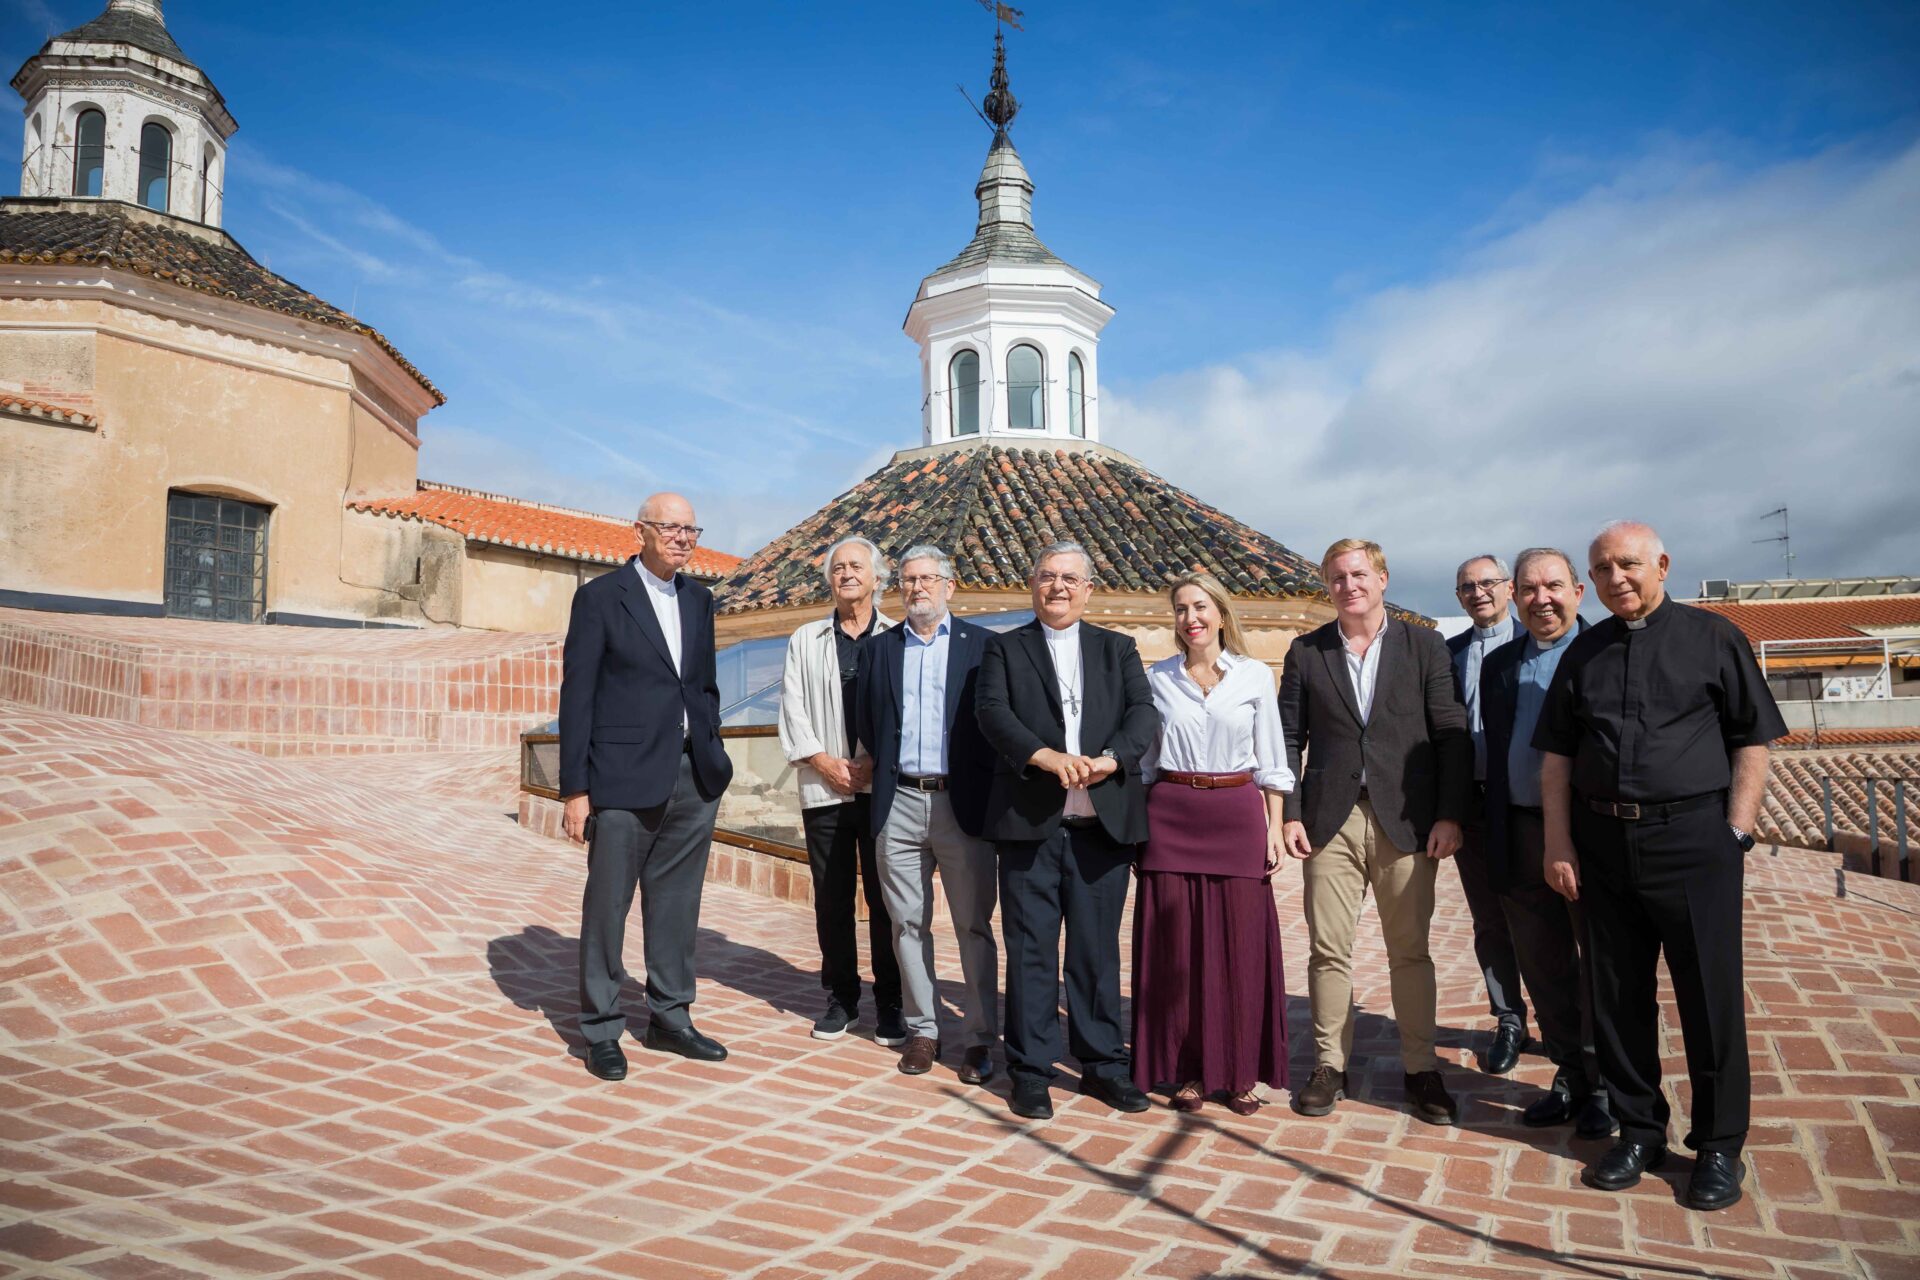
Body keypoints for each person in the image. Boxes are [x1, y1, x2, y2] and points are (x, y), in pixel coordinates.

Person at [1535, 521, 1785, 1212]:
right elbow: (1555, 758)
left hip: (1694, 843)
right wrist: (1558, 843)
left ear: (1662, 565)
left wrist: (1736, 833)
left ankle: (1718, 1147)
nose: (1617, 578)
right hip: (1602, 846)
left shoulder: (1714, 638)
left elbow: (1753, 740)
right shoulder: (1583, 653)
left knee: (1709, 997)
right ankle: (1640, 1128)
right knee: (1615, 998)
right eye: (1603, 568)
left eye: (1628, 564)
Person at [1279, 538, 1471, 1125]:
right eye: (1337, 577)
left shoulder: (1425, 647)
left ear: (1382, 578)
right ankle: (1328, 1065)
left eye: (1359, 574)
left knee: (1409, 952)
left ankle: (1421, 1069)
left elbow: (1451, 733)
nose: (1349, 585)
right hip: (1329, 820)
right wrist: (1289, 809)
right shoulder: (1306, 652)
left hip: (1408, 819)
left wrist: (1450, 813)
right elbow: (1288, 738)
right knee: (1327, 951)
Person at [976, 541, 1162, 1121]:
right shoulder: (1004, 650)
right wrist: (1045, 756)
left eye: (1069, 579)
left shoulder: (1118, 649)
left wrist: (1110, 760)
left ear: (1088, 589)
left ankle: (1102, 1065)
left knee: (1095, 952)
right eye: (1047, 577)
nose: (1057, 587)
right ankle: (1030, 1070)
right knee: (1030, 951)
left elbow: (1143, 715)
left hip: (1100, 826)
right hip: (1032, 825)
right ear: (1033, 585)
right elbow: (992, 714)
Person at [559, 492, 734, 1081]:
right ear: (640, 530)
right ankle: (603, 1028)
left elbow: (703, 686)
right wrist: (575, 790)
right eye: (670, 528)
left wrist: (712, 751)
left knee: (679, 906)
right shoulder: (600, 598)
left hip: (693, 776)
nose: (683, 538)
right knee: (607, 908)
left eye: (691, 529)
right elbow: (577, 697)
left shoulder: (701, 600)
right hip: (620, 781)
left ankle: (670, 1017)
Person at [1132, 571, 1295, 1115]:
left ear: (1221, 614)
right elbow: (1146, 763)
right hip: (1172, 815)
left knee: (1240, 948)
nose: (1190, 618)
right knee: (1176, 952)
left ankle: (1241, 1069)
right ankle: (1187, 1071)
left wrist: (1273, 828)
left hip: (1237, 814)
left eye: (1200, 607)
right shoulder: (1157, 679)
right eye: (1180, 609)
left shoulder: (1252, 678)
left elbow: (1273, 762)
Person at [1479, 547, 1611, 1139]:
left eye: (1553, 586)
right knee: (1544, 964)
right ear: (1515, 596)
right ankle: (1570, 1075)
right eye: (1529, 589)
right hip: (1517, 828)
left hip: (1588, 831)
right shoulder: (1500, 664)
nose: (1542, 600)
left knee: (1601, 966)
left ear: (1578, 591)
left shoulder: (1606, 652)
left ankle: (1609, 1085)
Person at [853, 546, 999, 1082]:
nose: (918, 589)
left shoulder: (984, 648)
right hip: (898, 803)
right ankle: (923, 1030)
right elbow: (866, 719)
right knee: (906, 923)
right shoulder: (880, 650)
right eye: (909, 581)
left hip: (963, 804)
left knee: (972, 925)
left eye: (928, 580)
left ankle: (982, 1038)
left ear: (949, 585)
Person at [776, 536, 904, 1045]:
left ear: (877, 577)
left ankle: (890, 1002)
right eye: (838, 568)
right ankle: (842, 998)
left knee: (886, 898)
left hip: (883, 791)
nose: (847, 573)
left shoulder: (898, 637)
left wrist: (875, 760)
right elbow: (792, 706)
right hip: (824, 787)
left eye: (857, 566)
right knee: (831, 899)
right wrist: (824, 761)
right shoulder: (805, 639)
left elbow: (906, 708)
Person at [1446, 554, 1531, 1074]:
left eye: (1488, 583)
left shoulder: (1536, 645)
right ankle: (1509, 1019)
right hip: (1471, 805)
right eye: (1467, 587)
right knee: (1489, 920)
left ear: (1509, 588)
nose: (1478, 593)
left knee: (1541, 918)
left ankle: (1568, 1026)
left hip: (1526, 802)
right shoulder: (1446, 654)